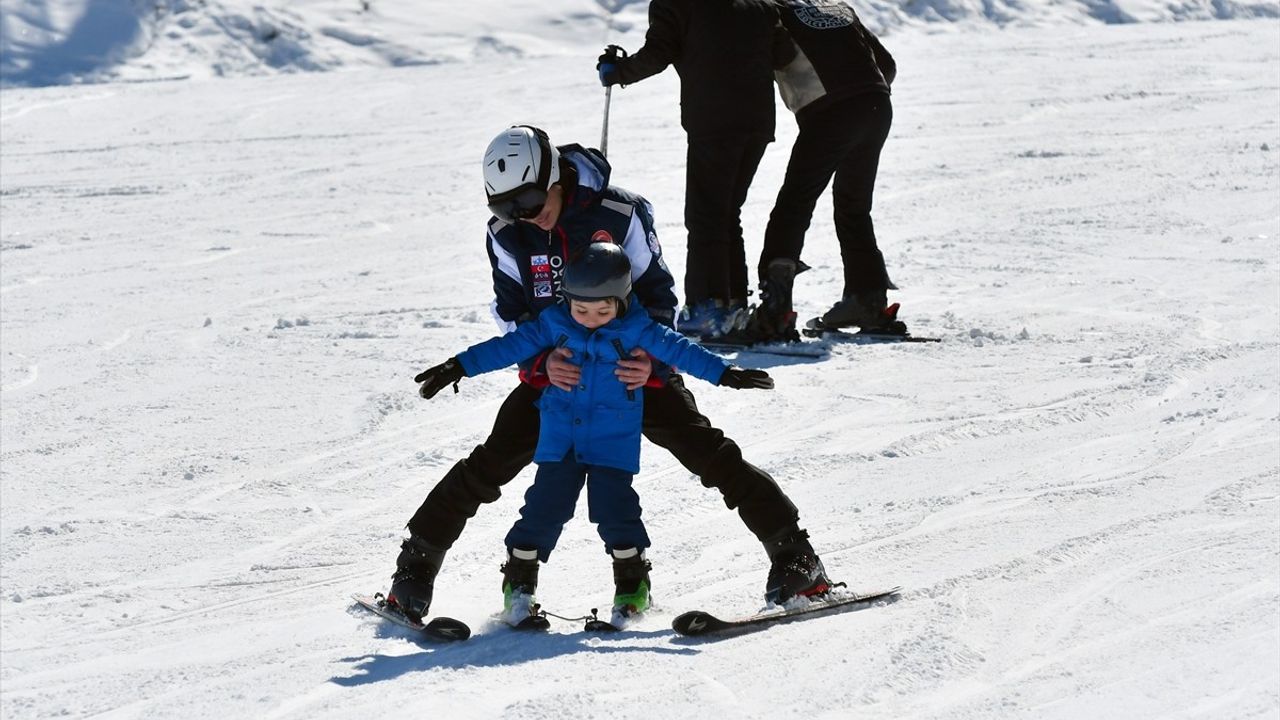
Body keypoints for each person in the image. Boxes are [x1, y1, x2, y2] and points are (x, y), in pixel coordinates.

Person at [386, 125, 832, 623]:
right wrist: (540, 364)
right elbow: (512, 313)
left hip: (630, 371)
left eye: (531, 199)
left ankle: (797, 560)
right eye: (506, 206)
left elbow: (659, 296)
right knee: (488, 465)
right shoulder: (507, 234)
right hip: (561, 379)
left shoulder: (621, 213)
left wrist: (652, 363)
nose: (525, 215)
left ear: (554, 175)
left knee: (710, 454)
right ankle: (413, 571)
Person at [413, 243, 773, 624]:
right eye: (581, 309)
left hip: (611, 441)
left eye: (603, 311)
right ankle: (518, 589)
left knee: (616, 512)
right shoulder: (553, 324)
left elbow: (681, 350)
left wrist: (725, 373)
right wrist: (458, 366)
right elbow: (506, 348)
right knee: (544, 510)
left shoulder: (638, 329)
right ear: (567, 299)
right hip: (560, 440)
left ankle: (633, 588)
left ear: (622, 300)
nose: (590, 319)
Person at [596, 0, 786, 341]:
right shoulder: (760, 5)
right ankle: (732, 306)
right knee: (727, 213)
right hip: (757, 120)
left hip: (714, 119)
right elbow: (783, 53)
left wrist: (617, 71)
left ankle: (707, 310)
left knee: (706, 215)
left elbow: (658, 53)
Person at [744, 0, 902, 343]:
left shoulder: (771, 13)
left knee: (794, 204)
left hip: (831, 112)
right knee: (854, 207)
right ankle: (867, 301)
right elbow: (886, 64)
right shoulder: (837, 7)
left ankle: (775, 310)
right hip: (876, 104)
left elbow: (766, 59)